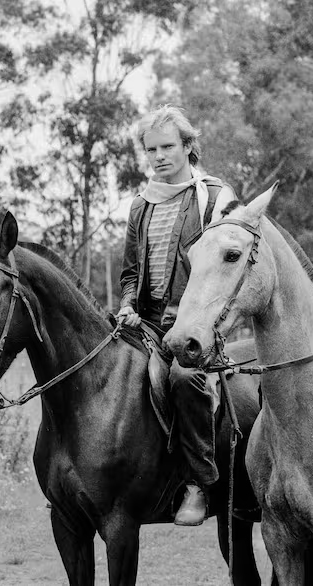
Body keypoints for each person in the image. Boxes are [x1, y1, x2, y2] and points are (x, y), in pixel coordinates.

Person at [117, 105, 237, 526]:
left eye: (167, 146)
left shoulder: (215, 197)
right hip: (146, 325)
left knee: (184, 379)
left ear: (188, 146)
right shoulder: (141, 205)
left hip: (196, 328)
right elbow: (131, 271)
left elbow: (230, 267)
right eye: (151, 149)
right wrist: (127, 305)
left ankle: (198, 483)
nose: (158, 157)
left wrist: (210, 322)